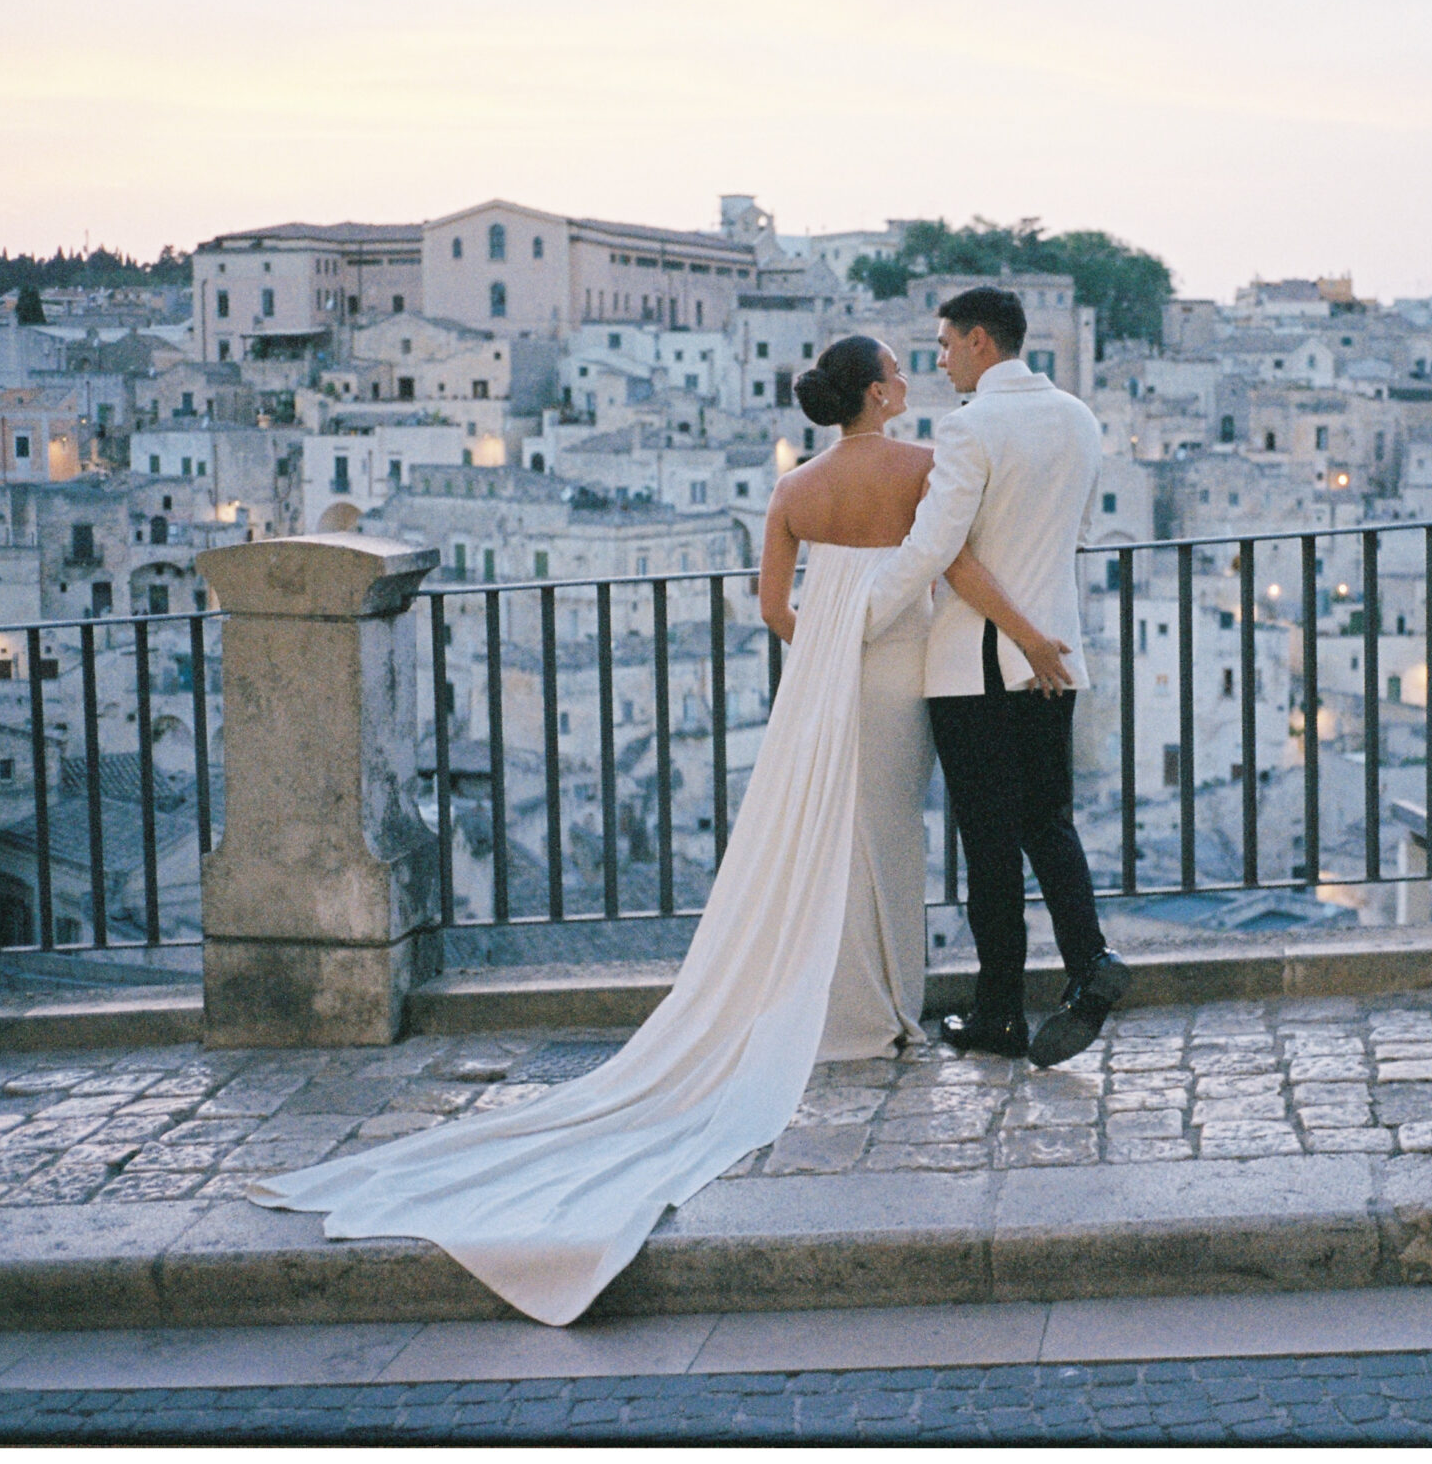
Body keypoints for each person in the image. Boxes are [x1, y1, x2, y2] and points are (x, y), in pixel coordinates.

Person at [244, 335, 1064, 1327]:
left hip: (821, 675)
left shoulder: (795, 487)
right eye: (898, 367)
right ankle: (883, 1009)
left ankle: (841, 1004)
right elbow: (957, 567)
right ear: (882, 395)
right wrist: (1020, 635)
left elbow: (773, 608)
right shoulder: (923, 468)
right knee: (890, 832)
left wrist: (825, 649)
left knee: (826, 833)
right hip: (894, 671)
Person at [863, 286, 1129, 1071]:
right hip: (1055, 655)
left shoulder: (970, 427)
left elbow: (934, 547)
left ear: (981, 341)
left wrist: (861, 617)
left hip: (976, 663)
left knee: (987, 845)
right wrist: (1040, 636)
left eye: (944, 345)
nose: (939, 360)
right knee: (1050, 822)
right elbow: (1073, 534)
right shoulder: (1080, 418)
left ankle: (1000, 1013)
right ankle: (1089, 962)